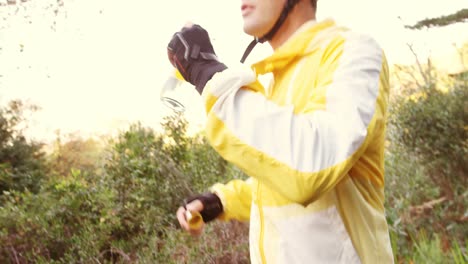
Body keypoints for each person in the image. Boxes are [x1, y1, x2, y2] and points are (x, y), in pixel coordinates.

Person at [167, 0, 394, 263]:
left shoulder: (354, 52)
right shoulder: (277, 78)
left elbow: (312, 164)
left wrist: (205, 70)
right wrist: (222, 201)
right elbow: (279, 180)